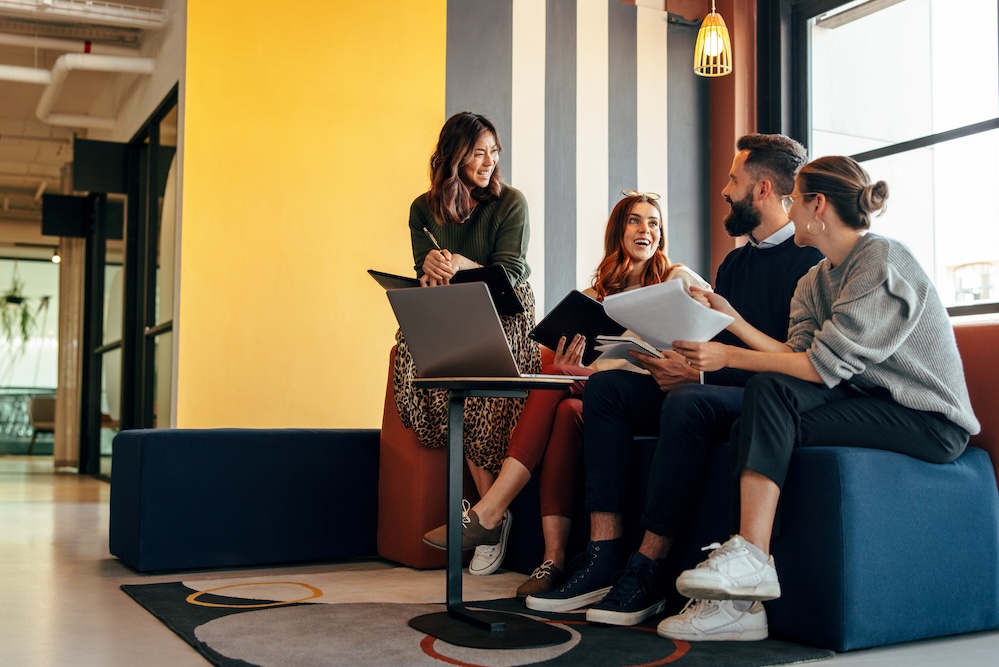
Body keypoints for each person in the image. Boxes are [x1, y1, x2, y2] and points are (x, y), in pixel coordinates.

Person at [661, 155, 979, 642]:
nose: (787, 210)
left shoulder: (881, 261)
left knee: (768, 394)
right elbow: (796, 355)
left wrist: (728, 355)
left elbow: (816, 367)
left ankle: (750, 561)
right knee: (751, 421)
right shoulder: (814, 280)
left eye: (795, 200)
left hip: (927, 419)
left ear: (818, 205)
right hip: (867, 401)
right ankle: (742, 604)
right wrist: (731, 319)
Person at [525, 134, 824, 631]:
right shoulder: (734, 262)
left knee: (687, 402)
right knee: (607, 392)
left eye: (733, 180)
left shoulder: (809, 263)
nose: (725, 190)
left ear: (764, 189)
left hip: (765, 397)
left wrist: (700, 373)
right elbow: (707, 337)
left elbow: (791, 362)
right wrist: (674, 362)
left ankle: (647, 570)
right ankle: (602, 555)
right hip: (710, 381)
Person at [422, 191, 710, 586]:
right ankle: (552, 561)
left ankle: (491, 512)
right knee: (562, 404)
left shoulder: (676, 278)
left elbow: (711, 330)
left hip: (658, 393)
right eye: (635, 221)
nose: (646, 229)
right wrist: (569, 368)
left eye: (654, 222)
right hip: (600, 398)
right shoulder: (594, 298)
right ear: (618, 232)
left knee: (561, 387)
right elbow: (578, 366)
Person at [393, 112, 540, 573]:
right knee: (417, 355)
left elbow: (511, 275)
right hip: (452, 308)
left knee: (474, 384)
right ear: (454, 156)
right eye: (479, 152)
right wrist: (431, 271)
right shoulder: (423, 208)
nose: (489, 161)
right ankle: (491, 516)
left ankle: (487, 516)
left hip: (505, 311)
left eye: (494, 151)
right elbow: (424, 268)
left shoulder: (511, 202)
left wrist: (461, 262)